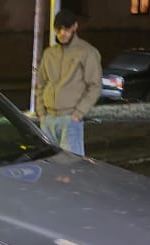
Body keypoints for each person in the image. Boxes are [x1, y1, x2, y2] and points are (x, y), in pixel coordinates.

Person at [34, 9, 101, 156]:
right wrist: (41, 113)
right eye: (58, 30)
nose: (62, 33)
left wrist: (78, 114)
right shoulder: (49, 53)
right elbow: (40, 84)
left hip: (70, 119)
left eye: (66, 29)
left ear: (75, 26)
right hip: (48, 119)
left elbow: (95, 86)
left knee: (70, 164)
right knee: (49, 162)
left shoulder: (87, 52)